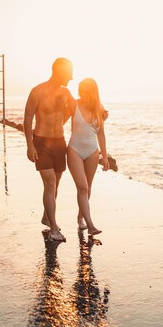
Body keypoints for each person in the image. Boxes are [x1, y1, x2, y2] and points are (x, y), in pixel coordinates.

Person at [24, 58, 73, 242]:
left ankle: (47, 217)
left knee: (55, 184)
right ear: (60, 71)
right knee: (50, 183)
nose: (72, 77)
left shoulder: (66, 93)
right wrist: (30, 145)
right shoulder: (38, 91)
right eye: (69, 72)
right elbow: (27, 119)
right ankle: (53, 228)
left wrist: (101, 115)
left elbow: (77, 110)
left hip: (59, 142)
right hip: (42, 142)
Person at [66, 78, 109, 236]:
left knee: (87, 188)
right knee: (82, 187)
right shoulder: (73, 104)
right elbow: (60, 121)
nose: (81, 92)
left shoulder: (100, 109)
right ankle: (90, 226)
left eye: (85, 89)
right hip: (74, 150)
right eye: (80, 89)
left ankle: (80, 217)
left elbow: (101, 134)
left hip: (92, 152)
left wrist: (104, 156)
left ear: (92, 91)